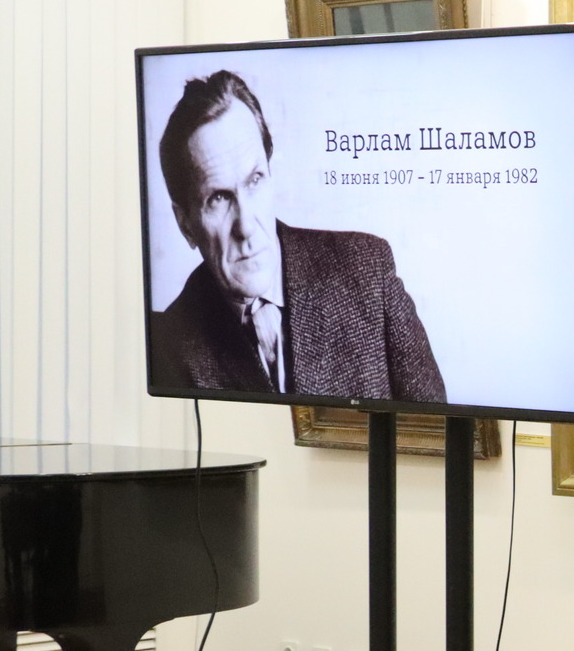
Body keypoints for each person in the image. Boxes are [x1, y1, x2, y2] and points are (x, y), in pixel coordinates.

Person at [149, 70, 446, 402]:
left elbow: (436, 425)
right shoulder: (169, 347)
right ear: (186, 224)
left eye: (254, 180)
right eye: (218, 198)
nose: (246, 226)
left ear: (271, 175)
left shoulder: (367, 272)